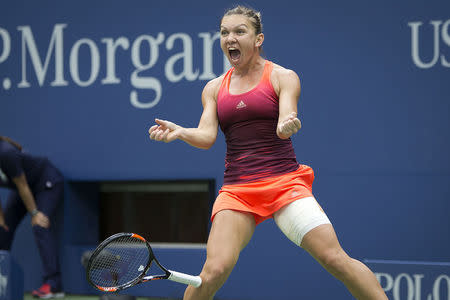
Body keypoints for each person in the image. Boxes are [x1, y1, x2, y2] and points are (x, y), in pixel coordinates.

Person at [148, 5, 388, 300]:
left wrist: (286, 126)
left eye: (239, 31)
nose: (230, 38)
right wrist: (181, 132)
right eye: (224, 32)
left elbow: (286, 118)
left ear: (259, 39)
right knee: (213, 272)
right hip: (237, 191)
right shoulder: (213, 88)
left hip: (285, 184)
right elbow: (207, 136)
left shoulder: (283, 77)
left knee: (334, 258)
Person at [0, 136, 64, 299]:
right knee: (3, 229)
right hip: (23, 189)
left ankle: (53, 285)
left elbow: (22, 185)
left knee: (39, 225)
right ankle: (2, 278)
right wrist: (1, 218)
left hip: (46, 181)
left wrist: (35, 214)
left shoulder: (6, 153)